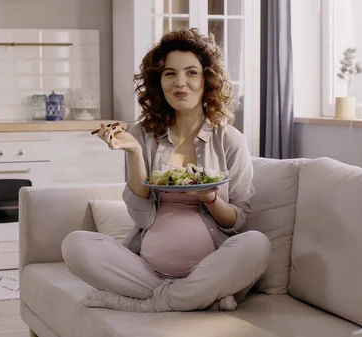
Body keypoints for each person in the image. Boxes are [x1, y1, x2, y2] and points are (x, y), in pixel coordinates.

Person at [61, 28, 271, 313]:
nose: (180, 83)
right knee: (75, 245)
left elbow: (239, 220)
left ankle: (148, 304)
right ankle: (199, 299)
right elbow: (141, 215)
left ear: (207, 80)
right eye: (170, 73)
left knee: (257, 244)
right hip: (145, 269)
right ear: (158, 81)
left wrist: (210, 198)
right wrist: (134, 151)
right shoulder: (143, 134)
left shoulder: (229, 139)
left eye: (191, 73)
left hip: (211, 266)